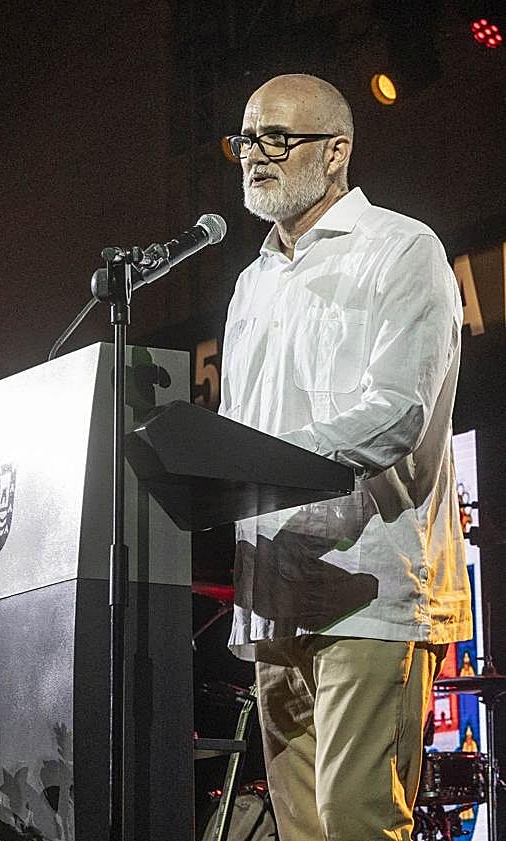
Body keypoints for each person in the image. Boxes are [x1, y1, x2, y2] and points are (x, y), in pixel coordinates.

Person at [218, 74, 473, 841]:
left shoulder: (401, 248)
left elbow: (397, 411)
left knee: (358, 824)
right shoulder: (249, 283)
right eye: (245, 139)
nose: (253, 156)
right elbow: (234, 428)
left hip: (369, 590)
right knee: (299, 832)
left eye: (276, 139)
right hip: (272, 595)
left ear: (335, 154)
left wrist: (256, 457)